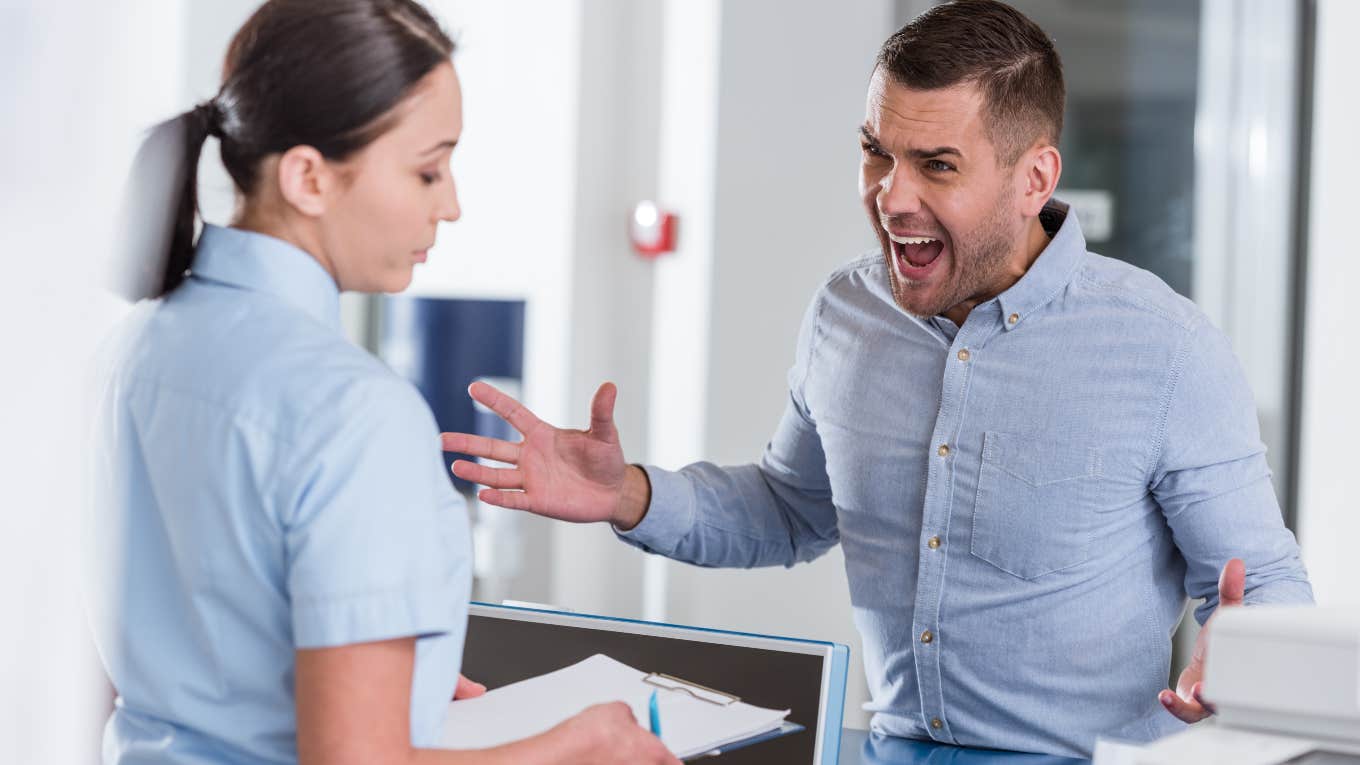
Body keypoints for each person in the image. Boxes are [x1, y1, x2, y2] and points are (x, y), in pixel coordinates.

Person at [441, 0, 1314, 758]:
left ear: (1033, 177)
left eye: (936, 164)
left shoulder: (1165, 348)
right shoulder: (845, 314)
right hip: (888, 747)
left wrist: (1238, 653)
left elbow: (1262, 580)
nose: (889, 197)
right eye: (876, 153)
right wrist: (628, 493)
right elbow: (790, 509)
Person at [87, 1, 677, 763]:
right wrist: (578, 745)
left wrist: (402, 681)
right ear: (308, 177)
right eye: (428, 169)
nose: (452, 203)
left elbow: (170, 659)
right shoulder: (352, 410)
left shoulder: (126, 350)